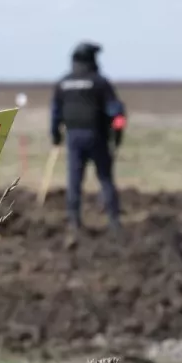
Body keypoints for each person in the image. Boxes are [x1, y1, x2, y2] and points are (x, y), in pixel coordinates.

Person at [50, 41, 127, 234]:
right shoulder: (100, 82)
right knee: (105, 178)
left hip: (74, 136)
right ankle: (114, 222)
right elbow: (116, 113)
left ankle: (74, 221)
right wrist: (117, 134)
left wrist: (55, 135)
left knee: (74, 180)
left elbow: (55, 112)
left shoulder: (63, 83)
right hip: (97, 136)